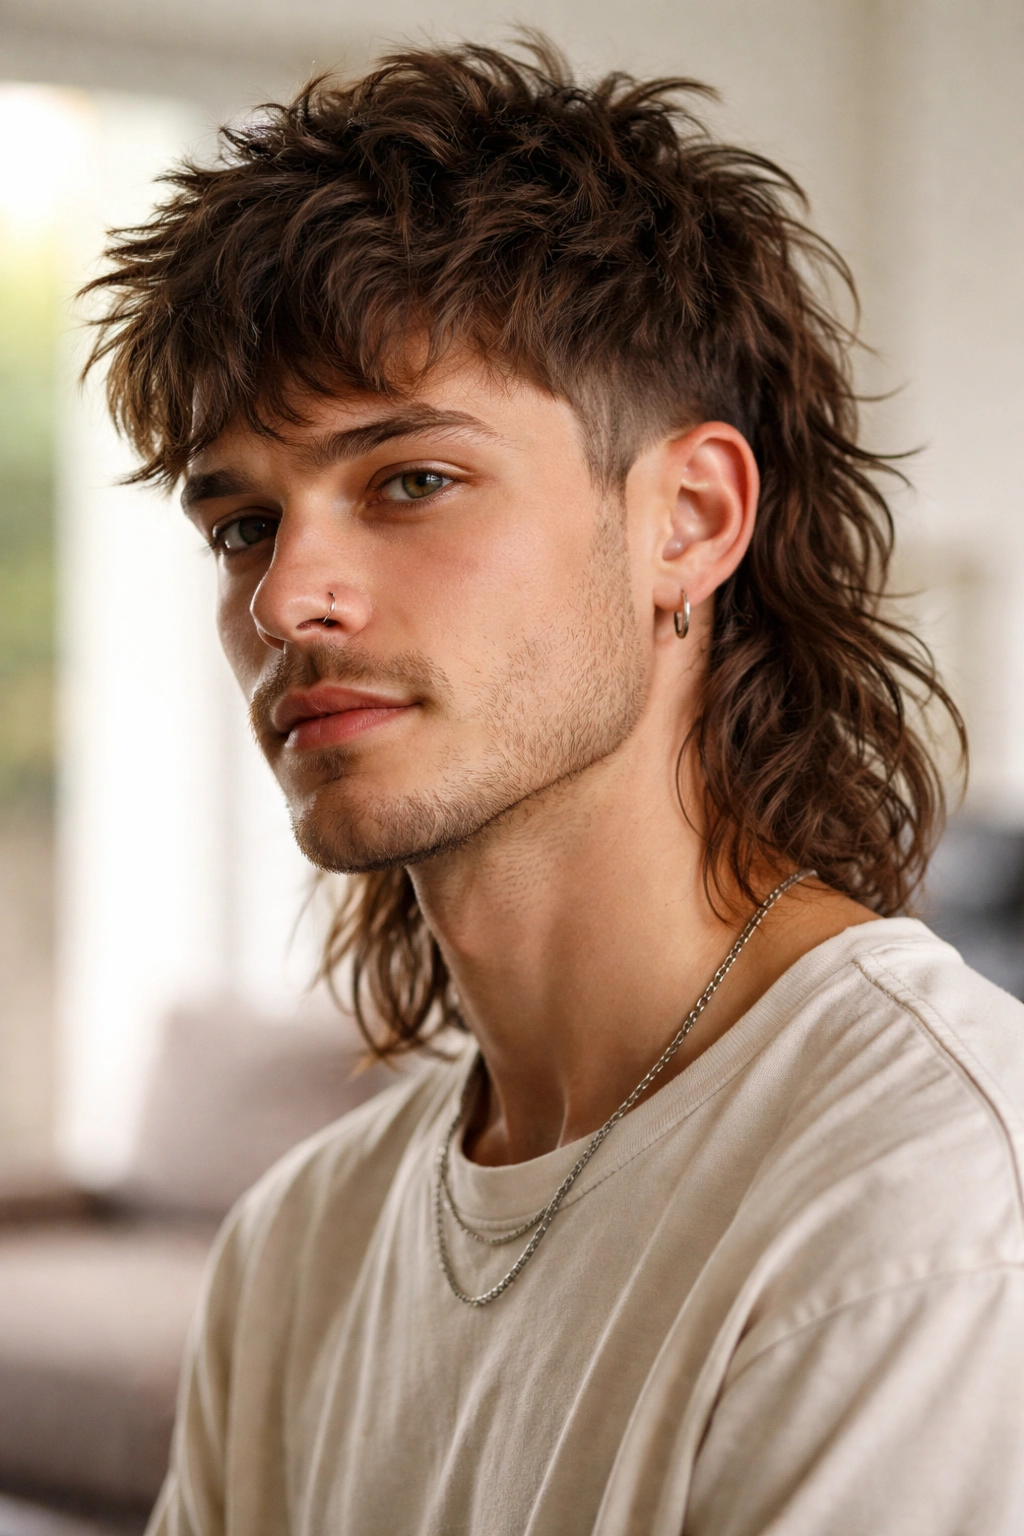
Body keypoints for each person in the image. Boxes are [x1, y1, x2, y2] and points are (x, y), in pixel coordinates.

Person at [85, 40, 1024, 1536]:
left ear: (688, 521)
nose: (289, 599)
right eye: (246, 523)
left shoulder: (929, 1200)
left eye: (410, 480)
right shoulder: (299, 1248)